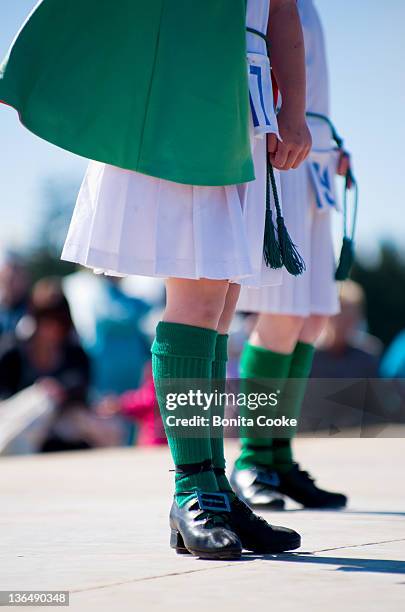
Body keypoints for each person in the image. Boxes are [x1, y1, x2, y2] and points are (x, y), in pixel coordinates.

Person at [0, 0, 311, 559]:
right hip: (181, 90)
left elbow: (281, 7)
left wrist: (293, 113)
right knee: (196, 296)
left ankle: (212, 484)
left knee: (220, 300)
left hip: (244, 95)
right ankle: (192, 488)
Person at [233, 0, 351, 510]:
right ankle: (252, 459)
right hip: (282, 147)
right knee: (281, 311)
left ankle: (278, 458)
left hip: (315, 152)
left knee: (311, 315)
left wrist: (332, 140)